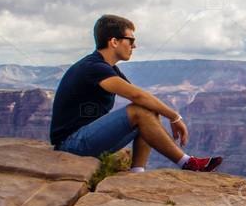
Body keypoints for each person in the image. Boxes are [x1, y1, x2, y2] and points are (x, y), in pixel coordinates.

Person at [50, 14, 222, 173]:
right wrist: (174, 116)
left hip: (86, 141)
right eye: (131, 40)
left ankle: (137, 173)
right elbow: (137, 96)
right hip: (71, 145)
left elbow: (143, 99)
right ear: (114, 42)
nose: (134, 46)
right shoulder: (93, 68)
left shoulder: (108, 68)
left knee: (147, 109)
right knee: (140, 110)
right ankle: (187, 163)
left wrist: (162, 112)